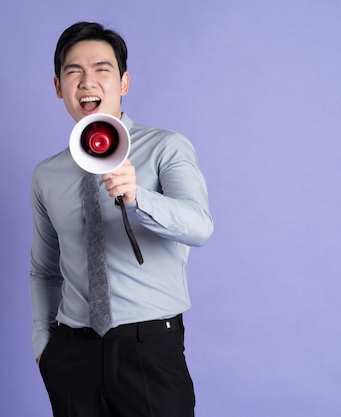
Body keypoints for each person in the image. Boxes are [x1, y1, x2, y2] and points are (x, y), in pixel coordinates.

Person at [30, 21, 214, 417]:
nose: (87, 82)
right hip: (72, 353)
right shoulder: (47, 174)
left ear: (124, 82)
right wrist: (44, 344)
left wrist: (139, 198)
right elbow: (45, 269)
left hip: (147, 348)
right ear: (58, 87)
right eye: (73, 71)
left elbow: (200, 226)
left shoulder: (165, 147)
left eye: (101, 69)